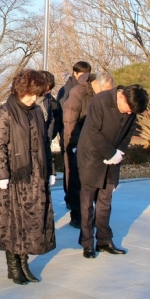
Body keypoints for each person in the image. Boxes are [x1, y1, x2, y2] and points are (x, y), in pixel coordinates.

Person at [0, 69, 56, 285]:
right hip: (14, 175)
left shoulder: (37, 111)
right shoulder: (4, 111)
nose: (34, 98)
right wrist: (2, 173)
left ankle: (24, 263)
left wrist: (50, 169)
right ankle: (13, 265)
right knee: (13, 222)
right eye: (31, 94)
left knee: (31, 222)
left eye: (37, 94)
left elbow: (45, 142)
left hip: (35, 175)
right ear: (21, 90)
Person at [76, 84, 148, 259]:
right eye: (129, 109)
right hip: (91, 156)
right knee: (87, 203)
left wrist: (119, 152)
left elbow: (129, 132)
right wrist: (111, 153)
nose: (129, 113)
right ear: (122, 97)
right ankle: (87, 243)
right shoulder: (100, 101)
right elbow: (93, 131)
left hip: (113, 159)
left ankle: (104, 240)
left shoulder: (131, 108)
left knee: (105, 202)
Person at [62, 72, 115, 228]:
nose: (107, 95)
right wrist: (75, 144)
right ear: (97, 84)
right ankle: (77, 216)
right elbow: (70, 120)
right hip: (78, 143)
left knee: (94, 182)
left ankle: (94, 215)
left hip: (96, 145)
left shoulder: (102, 96)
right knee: (77, 181)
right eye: (105, 90)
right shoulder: (78, 93)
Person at [56, 62, 92, 204]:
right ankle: (70, 199)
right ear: (75, 73)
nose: (84, 77)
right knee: (70, 169)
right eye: (81, 74)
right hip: (69, 134)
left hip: (86, 135)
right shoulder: (66, 90)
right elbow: (62, 114)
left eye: (87, 74)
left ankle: (82, 199)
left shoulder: (90, 89)